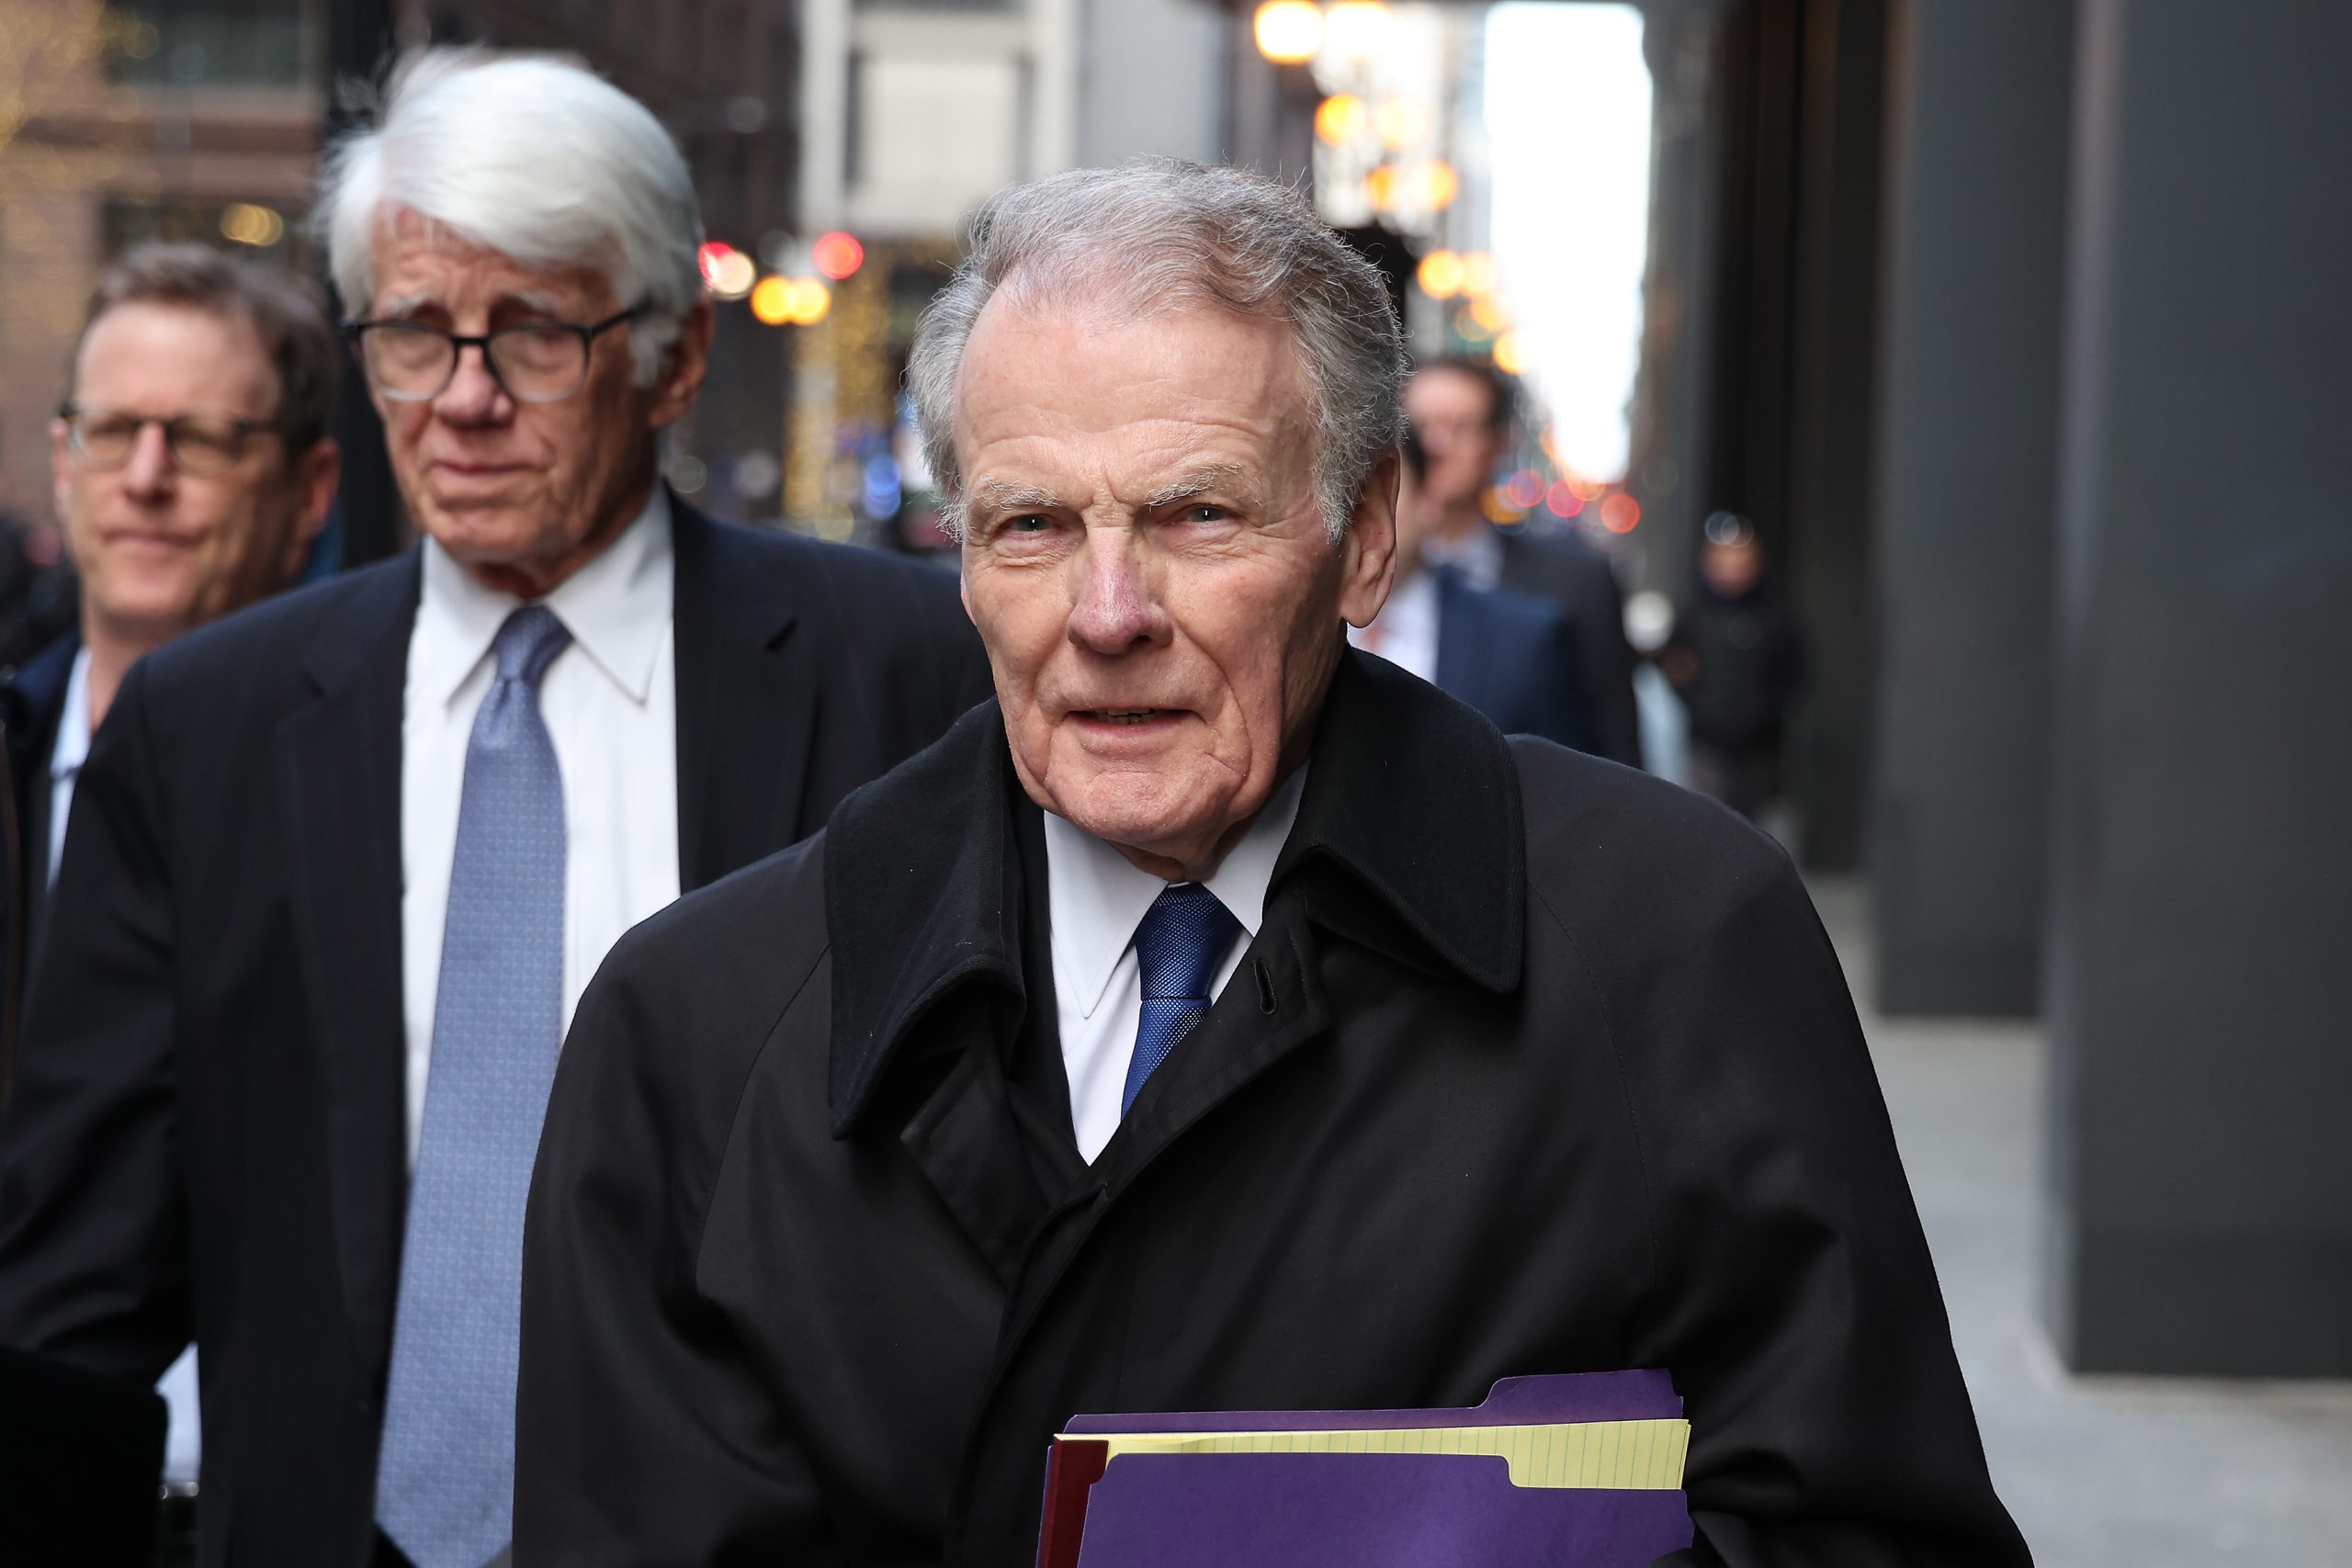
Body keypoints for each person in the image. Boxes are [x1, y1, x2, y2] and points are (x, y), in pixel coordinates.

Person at [514, 162, 2028, 1568]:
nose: (1109, 613)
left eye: (1196, 514)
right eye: (1034, 524)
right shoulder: (700, 1027)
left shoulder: (1672, 944)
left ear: (1365, 538)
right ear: (965, 563)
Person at [0, 49, 990, 1568]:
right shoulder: (209, 729)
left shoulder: (904, 677)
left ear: (670, 357)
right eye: (411, 332)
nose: (461, 399)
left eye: (530, 331)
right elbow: (75, 1279)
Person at [3, 243, 340, 1044]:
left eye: (200, 438)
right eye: (111, 430)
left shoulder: (366, 797)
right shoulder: (13, 754)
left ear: (310, 491)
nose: (145, 478)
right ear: (63, 463)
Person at [1406, 355, 1645, 768]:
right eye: (1419, 428)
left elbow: (1615, 756)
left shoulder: (1578, 584)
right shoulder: (1354, 578)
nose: (1436, 446)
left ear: (1499, 444)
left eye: (1459, 427)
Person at [1348, 427, 1594, 750]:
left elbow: (1570, 786)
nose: (1359, 509)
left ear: (1429, 500)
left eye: (1381, 490)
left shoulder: (1524, 640)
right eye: (1345, 491)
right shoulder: (1297, 629)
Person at [1661, 512, 1805, 822]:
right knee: (1708, 822)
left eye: (1740, 559)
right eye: (1723, 559)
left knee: (1754, 828)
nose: (1731, 569)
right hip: (1707, 743)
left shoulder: (1773, 616)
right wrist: (1699, 706)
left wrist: (1764, 711)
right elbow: (1673, 666)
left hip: (1759, 748)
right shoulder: (1693, 615)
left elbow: (1795, 673)